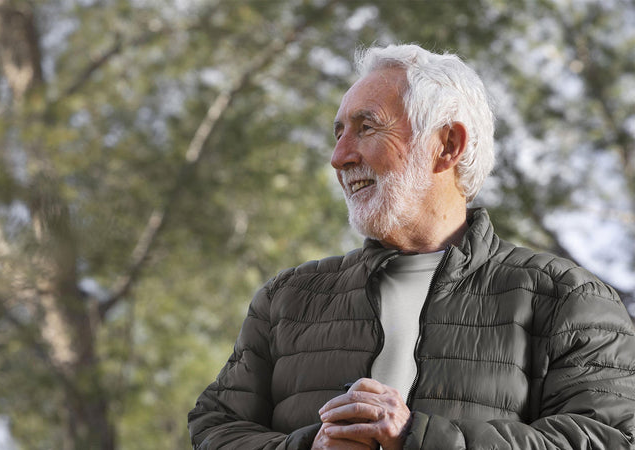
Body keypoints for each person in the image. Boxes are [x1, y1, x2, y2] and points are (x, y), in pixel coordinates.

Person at [187, 44, 635, 449]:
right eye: (338, 131)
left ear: (448, 145)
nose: (339, 156)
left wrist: (417, 437)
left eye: (367, 127)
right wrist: (308, 447)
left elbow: (610, 438)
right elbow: (215, 428)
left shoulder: (570, 299)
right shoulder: (285, 299)